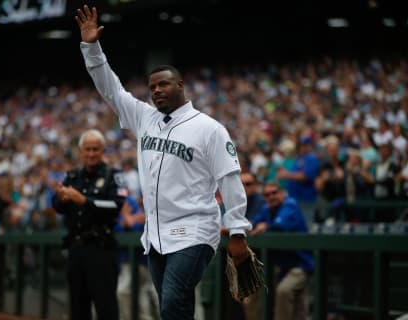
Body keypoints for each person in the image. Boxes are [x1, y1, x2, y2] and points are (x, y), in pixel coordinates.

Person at [75, 5, 252, 319]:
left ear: (181, 86)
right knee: (172, 307)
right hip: (155, 234)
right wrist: (91, 47)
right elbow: (110, 89)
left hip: (195, 230)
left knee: (172, 302)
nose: (156, 90)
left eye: (164, 84)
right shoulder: (145, 118)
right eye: (152, 86)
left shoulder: (209, 128)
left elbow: (230, 178)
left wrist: (237, 231)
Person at [52, 129, 127, 320]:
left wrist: (84, 200)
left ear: (103, 151)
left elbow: (116, 204)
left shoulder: (113, 175)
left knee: (106, 307)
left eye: (95, 149)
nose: (91, 154)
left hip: (101, 248)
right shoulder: (72, 176)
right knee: (77, 307)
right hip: (76, 248)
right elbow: (57, 206)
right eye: (87, 149)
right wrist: (61, 198)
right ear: (80, 151)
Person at [249, 182, 314, 320]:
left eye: (275, 192)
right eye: (267, 194)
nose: (272, 196)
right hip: (282, 267)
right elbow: (253, 225)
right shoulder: (267, 208)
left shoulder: (290, 205)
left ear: (282, 193)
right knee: (298, 307)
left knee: (284, 292)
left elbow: (280, 227)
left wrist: (266, 226)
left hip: (300, 265)